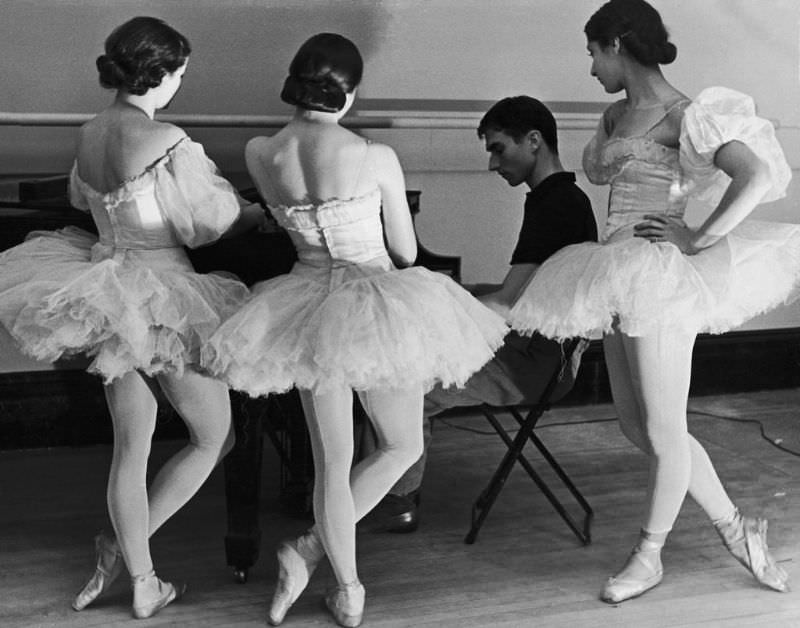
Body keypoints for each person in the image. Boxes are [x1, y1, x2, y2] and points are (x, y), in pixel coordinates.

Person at [201, 33, 508, 627]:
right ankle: (316, 559)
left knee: (331, 460)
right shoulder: (373, 156)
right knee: (401, 445)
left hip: (304, 302)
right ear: (349, 94)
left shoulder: (262, 152)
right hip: (370, 300)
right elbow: (404, 249)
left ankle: (338, 577)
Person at [509, 0, 796, 604]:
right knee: (637, 426)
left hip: (659, 275)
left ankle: (649, 554)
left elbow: (757, 178)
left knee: (664, 428)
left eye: (592, 52)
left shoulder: (687, 114)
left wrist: (698, 235)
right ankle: (736, 528)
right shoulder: (616, 114)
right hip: (613, 267)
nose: (589, 67)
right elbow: (595, 172)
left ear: (616, 43)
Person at [0, 17, 264, 619]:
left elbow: (78, 200)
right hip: (161, 291)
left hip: (105, 286)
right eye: (179, 75)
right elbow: (208, 223)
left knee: (132, 443)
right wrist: (250, 214)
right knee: (213, 436)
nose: (179, 85)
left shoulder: (89, 132)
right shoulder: (166, 138)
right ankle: (125, 548)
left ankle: (143, 577)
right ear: (162, 75)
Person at [360, 96, 598, 534]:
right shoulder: (560, 197)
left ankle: (395, 499)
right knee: (417, 342)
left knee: (404, 382)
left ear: (533, 141)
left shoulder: (555, 205)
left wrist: (434, 304)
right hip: (536, 350)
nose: (492, 163)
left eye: (498, 149)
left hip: (536, 365)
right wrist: (455, 294)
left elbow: (508, 304)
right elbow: (528, 292)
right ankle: (380, 487)